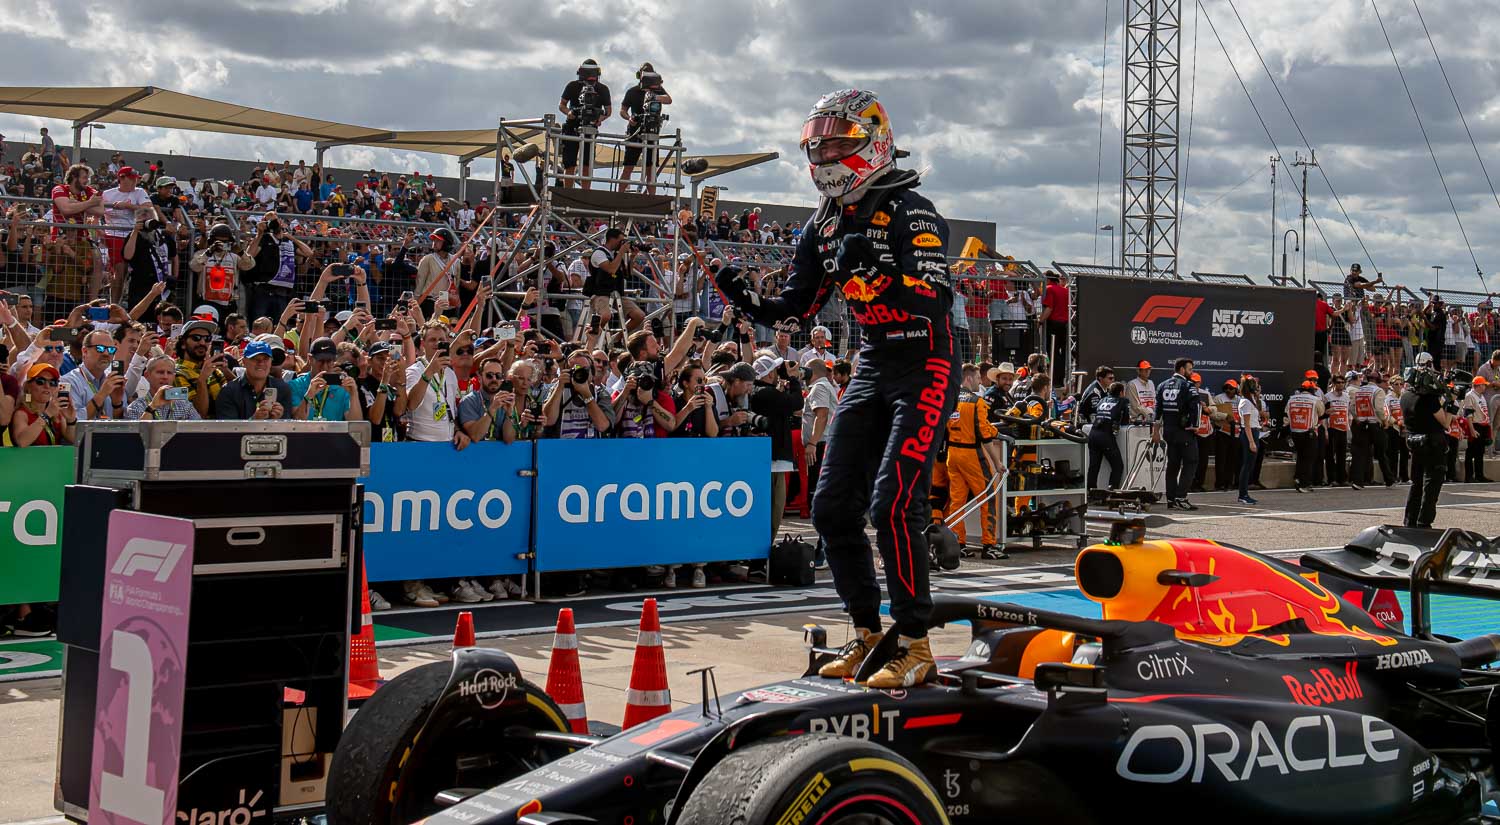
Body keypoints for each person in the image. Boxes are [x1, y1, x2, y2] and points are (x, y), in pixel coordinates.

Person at [713, 89, 956, 688]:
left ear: (872, 141)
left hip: (926, 363)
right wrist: (745, 298)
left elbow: (937, 297)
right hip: (872, 363)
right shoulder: (822, 227)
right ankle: (870, 637)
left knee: (894, 505)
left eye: (837, 140)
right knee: (828, 508)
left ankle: (916, 644)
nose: (824, 151)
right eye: (817, 142)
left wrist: (878, 274)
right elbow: (794, 309)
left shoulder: (910, 210)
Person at [944, 364, 1001, 558]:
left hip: (952, 454)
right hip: (972, 454)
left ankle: (957, 543)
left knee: (957, 501)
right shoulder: (977, 402)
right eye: (978, 378)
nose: (979, 382)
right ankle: (989, 545)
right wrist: (998, 463)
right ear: (969, 379)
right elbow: (985, 435)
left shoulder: (949, 399)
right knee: (988, 499)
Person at [1401, 352, 1456, 528]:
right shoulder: (1429, 399)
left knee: (1416, 483)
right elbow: (1446, 423)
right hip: (1432, 443)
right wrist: (1453, 404)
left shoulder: (1405, 396)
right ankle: (1424, 521)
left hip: (1414, 441)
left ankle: (1410, 520)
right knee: (1432, 484)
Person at [618, 63, 672, 194]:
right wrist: (629, 118)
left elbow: (669, 99)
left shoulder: (658, 90)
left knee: (650, 168)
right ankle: (618, 195)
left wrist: (655, 96)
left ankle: (651, 197)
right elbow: (622, 110)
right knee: (628, 166)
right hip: (635, 131)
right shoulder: (632, 91)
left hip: (652, 132)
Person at [1154, 357, 1200, 510]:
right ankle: (1181, 497)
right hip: (1184, 432)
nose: (1191, 373)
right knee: (1191, 462)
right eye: (1190, 369)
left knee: (1172, 465)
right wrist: (1195, 425)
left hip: (1168, 432)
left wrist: (1155, 432)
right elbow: (1196, 407)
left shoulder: (1162, 385)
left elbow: (1157, 412)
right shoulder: (1188, 386)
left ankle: (1171, 499)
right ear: (1182, 369)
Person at [558, 59, 611, 190]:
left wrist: (600, 119)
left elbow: (608, 111)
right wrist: (569, 112)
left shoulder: (603, 89)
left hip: (590, 128)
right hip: (572, 126)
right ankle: (568, 192)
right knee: (569, 163)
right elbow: (562, 105)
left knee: (587, 164)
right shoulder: (572, 86)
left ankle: (585, 193)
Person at [128, 354, 201, 421]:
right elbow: (140, 433)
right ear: (147, 375)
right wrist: (152, 407)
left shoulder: (185, 406)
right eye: (160, 372)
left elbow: (199, 430)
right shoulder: (136, 407)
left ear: (174, 377)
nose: (165, 377)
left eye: (169, 373)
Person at [1087, 381, 1129, 491]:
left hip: (1093, 434)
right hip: (1106, 436)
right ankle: (1112, 490)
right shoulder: (1123, 401)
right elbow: (1125, 421)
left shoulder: (1102, 400)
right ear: (1121, 392)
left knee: (1094, 466)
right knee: (1118, 466)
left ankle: (1090, 492)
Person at [1285, 380, 1324, 492]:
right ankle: (1304, 483)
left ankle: (1297, 478)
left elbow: (1287, 413)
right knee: (1308, 458)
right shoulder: (1315, 400)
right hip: (1309, 432)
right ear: (1312, 390)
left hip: (1295, 431)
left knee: (1301, 456)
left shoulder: (1291, 399)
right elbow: (1321, 412)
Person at [1235, 377, 1264, 505]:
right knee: (1247, 465)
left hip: (1254, 431)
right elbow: (1246, 424)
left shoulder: (1252, 400)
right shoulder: (1246, 402)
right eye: (1255, 385)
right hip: (1249, 433)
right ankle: (1243, 494)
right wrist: (1251, 442)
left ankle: (1244, 493)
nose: (1258, 387)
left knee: (1249, 465)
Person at [1461, 376, 1492, 482]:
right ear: (1478, 386)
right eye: (1483, 385)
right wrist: (1472, 430)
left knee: (1480, 452)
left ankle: (1479, 475)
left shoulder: (1481, 396)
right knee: (1471, 452)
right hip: (1474, 425)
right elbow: (1468, 414)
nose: (1485, 387)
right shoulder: (1470, 396)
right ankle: (1469, 476)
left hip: (1482, 425)